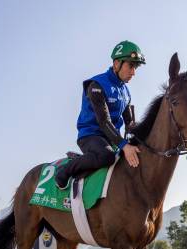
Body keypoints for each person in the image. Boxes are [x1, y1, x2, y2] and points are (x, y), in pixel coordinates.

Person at [54, 40, 145, 190]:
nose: (133, 72)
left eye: (135, 67)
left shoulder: (126, 93)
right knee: (107, 156)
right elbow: (104, 122)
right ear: (117, 64)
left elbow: (130, 124)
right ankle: (67, 169)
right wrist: (124, 145)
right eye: (130, 66)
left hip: (112, 139)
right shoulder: (96, 85)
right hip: (90, 136)